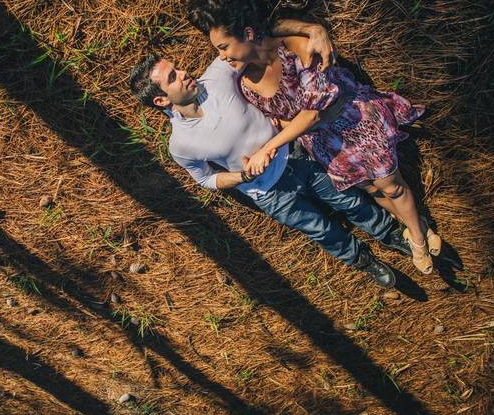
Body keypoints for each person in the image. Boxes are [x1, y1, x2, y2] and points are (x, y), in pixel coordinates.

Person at [185, 0, 442, 277]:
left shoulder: (297, 47)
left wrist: (269, 147)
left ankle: (418, 238)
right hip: (322, 144)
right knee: (372, 189)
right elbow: (279, 119)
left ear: (248, 32)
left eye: (224, 46)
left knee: (391, 184)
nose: (221, 56)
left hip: (353, 124)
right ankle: (418, 226)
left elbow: (313, 113)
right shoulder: (241, 81)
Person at [128, 51, 412, 288]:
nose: (183, 72)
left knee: (348, 200)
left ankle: (390, 234)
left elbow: (246, 44)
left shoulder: (216, 77)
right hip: (270, 194)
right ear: (161, 100)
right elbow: (205, 178)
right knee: (321, 230)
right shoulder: (180, 145)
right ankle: (364, 261)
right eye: (173, 77)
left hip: (298, 156)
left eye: (176, 67)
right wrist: (244, 176)